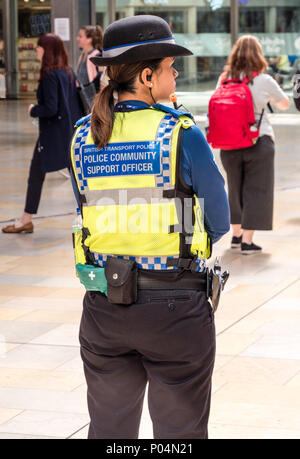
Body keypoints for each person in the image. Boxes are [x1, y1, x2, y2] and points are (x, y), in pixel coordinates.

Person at [70, 15, 230, 439]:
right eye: (169, 66)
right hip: (175, 309)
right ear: (146, 76)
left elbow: (88, 212)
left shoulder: (82, 137)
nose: (175, 73)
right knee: (180, 433)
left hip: (104, 306)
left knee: (110, 429)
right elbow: (219, 220)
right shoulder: (180, 133)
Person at [2, 34, 82, 234]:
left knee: (35, 175)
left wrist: (32, 110)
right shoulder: (68, 72)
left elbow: (51, 108)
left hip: (52, 135)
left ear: (47, 51)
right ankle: (85, 215)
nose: (36, 51)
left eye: (39, 48)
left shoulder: (49, 75)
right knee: (76, 176)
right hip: (68, 134)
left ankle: (26, 219)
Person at [218, 36, 290, 254]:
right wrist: (267, 100)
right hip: (258, 141)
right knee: (256, 189)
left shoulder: (224, 78)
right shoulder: (263, 80)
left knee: (235, 189)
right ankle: (248, 241)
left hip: (229, 143)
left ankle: (236, 237)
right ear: (258, 55)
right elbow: (285, 104)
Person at [76, 25, 105, 112]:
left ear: (89, 39)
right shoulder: (82, 55)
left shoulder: (96, 56)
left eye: (80, 36)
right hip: (83, 100)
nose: (77, 38)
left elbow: (102, 81)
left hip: (94, 101)